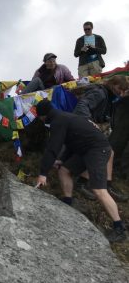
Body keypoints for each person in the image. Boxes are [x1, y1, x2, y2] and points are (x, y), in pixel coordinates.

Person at [35, 99, 126, 243]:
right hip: (86, 149)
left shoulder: (57, 121)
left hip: (97, 149)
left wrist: (43, 173)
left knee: (99, 190)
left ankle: (119, 227)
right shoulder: (63, 117)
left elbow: (53, 148)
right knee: (64, 169)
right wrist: (62, 160)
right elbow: (72, 143)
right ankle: (68, 201)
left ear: (42, 116)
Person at [72, 75, 129, 201]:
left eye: (124, 90)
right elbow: (82, 105)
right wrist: (89, 121)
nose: (121, 92)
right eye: (120, 88)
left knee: (108, 152)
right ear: (113, 84)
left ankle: (104, 185)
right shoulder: (100, 93)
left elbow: (105, 115)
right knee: (104, 151)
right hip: (80, 125)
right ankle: (82, 183)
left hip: (86, 126)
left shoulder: (111, 97)